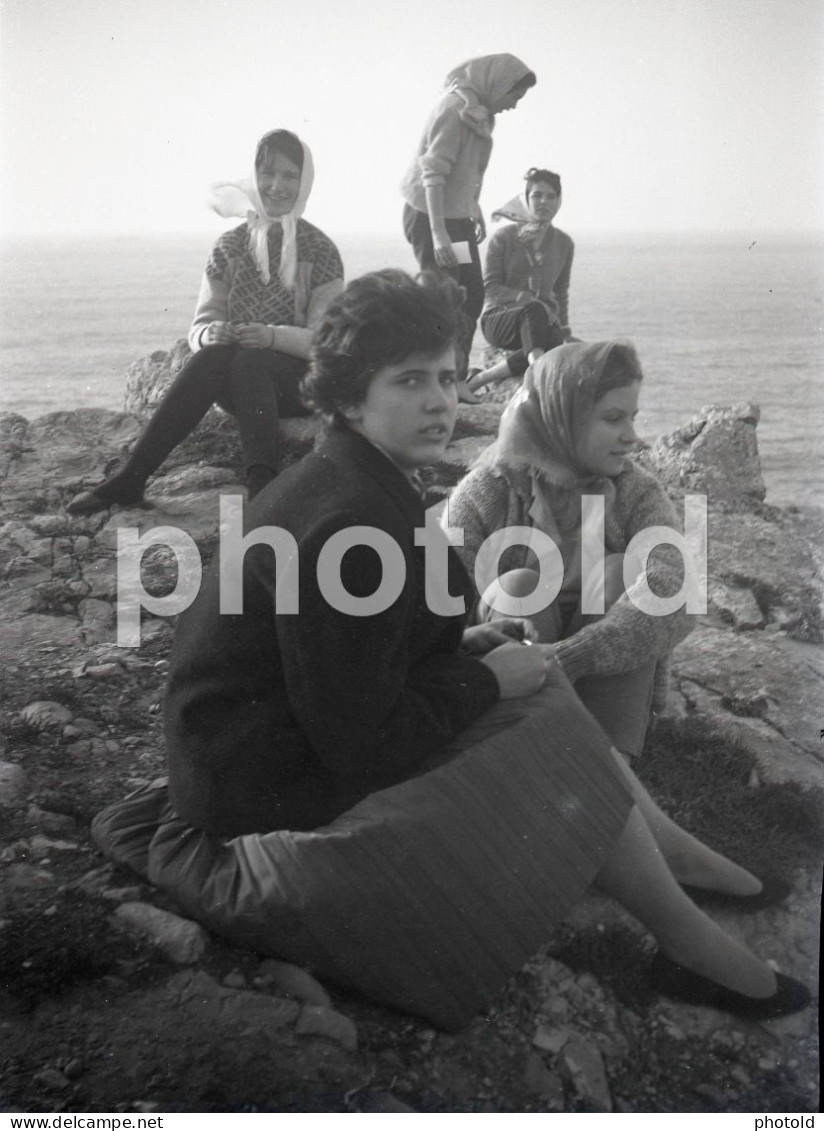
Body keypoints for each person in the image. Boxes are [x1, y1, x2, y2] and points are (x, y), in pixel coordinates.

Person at [91, 272, 808, 1032]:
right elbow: (359, 744)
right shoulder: (346, 519)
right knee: (533, 724)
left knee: (532, 683)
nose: (440, 399)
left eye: (444, 375)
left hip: (275, 751)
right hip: (262, 797)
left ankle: (673, 861)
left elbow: (360, 653)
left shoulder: (357, 478)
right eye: (409, 380)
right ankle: (686, 942)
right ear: (346, 396)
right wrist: (484, 683)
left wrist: (470, 647)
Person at [67, 129, 343, 515]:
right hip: (244, 388)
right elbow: (200, 326)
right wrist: (209, 333)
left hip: (301, 386)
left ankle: (262, 485)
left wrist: (271, 337)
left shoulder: (322, 250)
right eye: (268, 174)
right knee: (215, 356)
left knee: (250, 357)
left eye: (289, 175)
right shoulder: (229, 246)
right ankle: (132, 478)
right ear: (253, 177)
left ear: (304, 181)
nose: (277, 185)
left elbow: (325, 343)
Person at [446, 340, 690, 761]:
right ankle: (524, 753)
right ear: (562, 417)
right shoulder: (487, 489)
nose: (632, 437)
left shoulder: (636, 490)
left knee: (618, 574)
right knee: (521, 585)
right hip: (511, 680)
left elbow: (675, 590)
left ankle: (612, 765)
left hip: (599, 674)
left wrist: (572, 657)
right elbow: (438, 605)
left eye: (632, 417)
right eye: (613, 419)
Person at [401, 54, 536, 403]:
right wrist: (439, 233)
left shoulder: (480, 112)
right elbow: (432, 172)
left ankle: (456, 379)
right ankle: (435, 380)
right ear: (498, 85)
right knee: (443, 301)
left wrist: (471, 208)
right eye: (513, 97)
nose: (514, 106)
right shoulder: (455, 110)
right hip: (429, 216)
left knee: (470, 294)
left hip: (453, 217)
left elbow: (466, 172)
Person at [467, 167, 574, 393]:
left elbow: (560, 293)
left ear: (559, 201)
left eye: (550, 196)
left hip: (536, 324)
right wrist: (525, 299)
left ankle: (481, 378)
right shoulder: (504, 238)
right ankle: (540, 376)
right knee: (534, 310)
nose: (543, 202)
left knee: (554, 337)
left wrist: (564, 330)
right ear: (526, 198)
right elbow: (491, 288)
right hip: (499, 319)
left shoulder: (564, 243)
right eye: (536, 195)